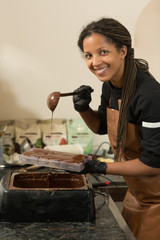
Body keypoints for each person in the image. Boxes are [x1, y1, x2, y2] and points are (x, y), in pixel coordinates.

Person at [72, 18, 160, 240]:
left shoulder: (149, 96)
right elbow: (102, 126)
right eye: (89, 55)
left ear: (122, 51)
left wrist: (101, 168)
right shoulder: (110, 85)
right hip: (137, 194)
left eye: (103, 52)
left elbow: (153, 163)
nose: (95, 62)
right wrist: (83, 109)